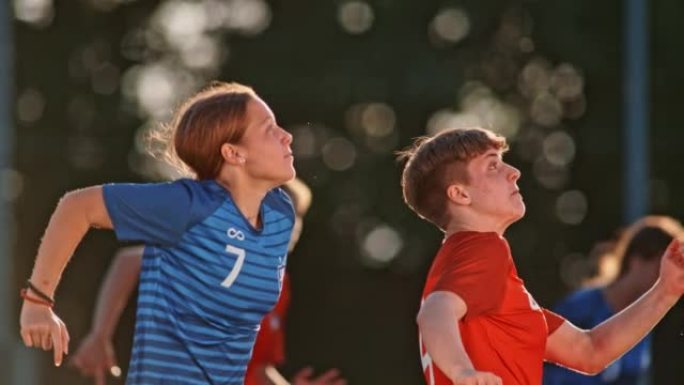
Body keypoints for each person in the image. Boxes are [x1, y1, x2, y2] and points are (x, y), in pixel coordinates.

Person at [19, 82, 299, 385]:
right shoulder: (188, 205)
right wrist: (38, 302)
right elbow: (77, 207)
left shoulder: (280, 215)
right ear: (233, 153)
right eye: (269, 128)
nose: (287, 136)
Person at [397, 127, 684, 385]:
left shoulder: (481, 277)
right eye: (493, 166)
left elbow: (590, 351)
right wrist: (463, 373)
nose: (514, 172)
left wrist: (666, 291)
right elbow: (435, 312)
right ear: (460, 194)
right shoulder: (483, 249)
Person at [68, 179, 346, 385]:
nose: (293, 225)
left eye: (298, 217)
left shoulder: (278, 284)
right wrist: (100, 335)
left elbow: (257, 371)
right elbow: (129, 261)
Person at [543, 216, 684, 385]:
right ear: (636, 260)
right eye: (659, 269)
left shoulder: (645, 317)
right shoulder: (579, 308)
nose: (667, 278)